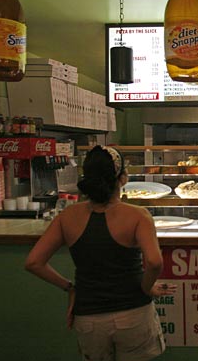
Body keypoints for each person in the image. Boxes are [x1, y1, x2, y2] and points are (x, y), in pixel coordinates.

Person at [25, 145, 176, 361]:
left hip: (88, 317)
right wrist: (146, 287)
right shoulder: (138, 215)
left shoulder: (68, 216)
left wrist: (70, 288)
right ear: (122, 178)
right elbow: (154, 262)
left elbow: (33, 262)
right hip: (133, 313)